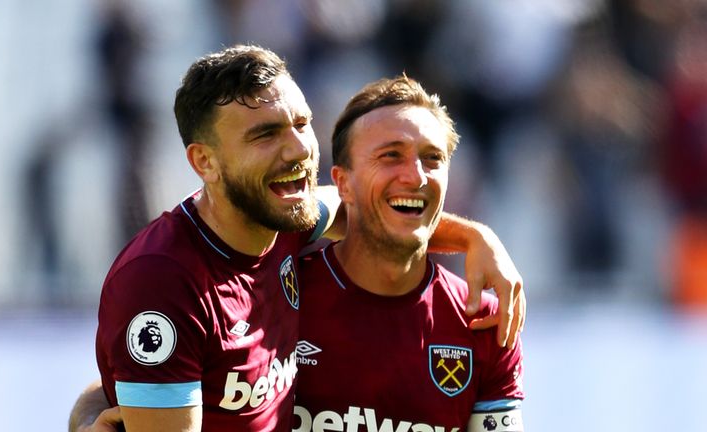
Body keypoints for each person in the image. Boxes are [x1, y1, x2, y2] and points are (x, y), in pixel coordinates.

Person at [69, 45, 524, 432]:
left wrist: (475, 238)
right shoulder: (165, 280)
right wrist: (91, 411)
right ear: (205, 163)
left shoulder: (286, 221)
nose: (298, 149)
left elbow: (374, 209)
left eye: (301, 124)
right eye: (265, 134)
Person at [293, 75, 524, 432]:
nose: (415, 176)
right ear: (341, 184)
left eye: (432, 158)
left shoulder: (482, 322)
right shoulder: (282, 294)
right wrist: (473, 235)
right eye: (391, 155)